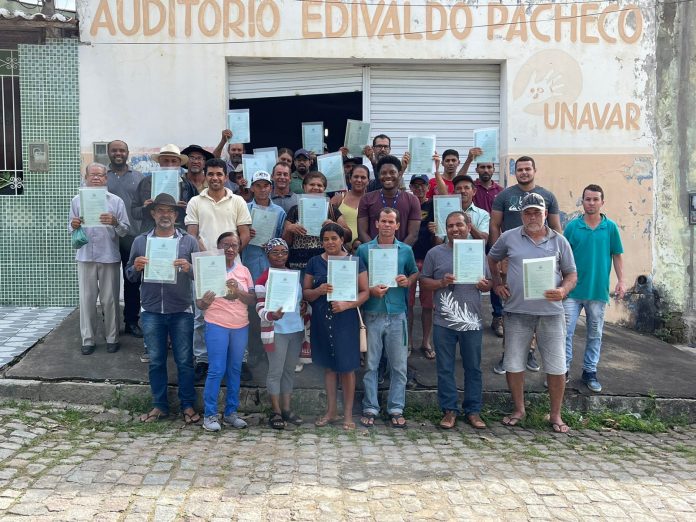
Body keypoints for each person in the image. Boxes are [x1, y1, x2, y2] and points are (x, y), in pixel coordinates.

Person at [487, 193, 577, 433]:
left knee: (557, 366)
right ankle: (519, 409)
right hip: (516, 311)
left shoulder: (559, 241)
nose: (533, 216)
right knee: (514, 362)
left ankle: (556, 415)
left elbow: (571, 274)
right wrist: (497, 283)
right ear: (521, 215)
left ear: (546, 214)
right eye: (528, 212)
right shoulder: (509, 238)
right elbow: (492, 258)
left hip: (551, 313)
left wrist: (563, 290)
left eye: (537, 212)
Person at [125, 193, 200, 424]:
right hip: (151, 310)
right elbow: (129, 276)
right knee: (156, 360)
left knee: (185, 361)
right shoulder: (140, 242)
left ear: (176, 215)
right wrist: (136, 268)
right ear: (153, 214)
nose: (165, 215)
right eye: (160, 211)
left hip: (181, 310)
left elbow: (201, 275)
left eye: (169, 211)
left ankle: (187, 405)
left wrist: (188, 268)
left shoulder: (188, 241)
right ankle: (159, 405)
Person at [420, 211, 491, 429]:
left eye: (459, 225)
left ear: (468, 226)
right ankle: (449, 411)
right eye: (450, 226)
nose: (455, 229)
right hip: (444, 321)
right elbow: (423, 282)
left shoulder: (478, 251)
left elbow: (488, 284)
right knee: (445, 368)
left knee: (473, 368)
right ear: (445, 229)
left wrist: (483, 285)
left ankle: (473, 411)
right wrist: (441, 282)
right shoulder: (435, 253)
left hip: (472, 321)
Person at [490, 156, 562, 372]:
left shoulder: (548, 196)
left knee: (535, 307)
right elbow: (495, 225)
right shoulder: (504, 195)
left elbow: (556, 228)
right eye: (520, 169)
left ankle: (529, 353)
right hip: (512, 259)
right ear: (515, 172)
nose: (523, 172)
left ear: (534, 170)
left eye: (527, 169)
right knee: (510, 308)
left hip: (540, 264)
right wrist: (500, 253)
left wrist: (556, 260)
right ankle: (507, 354)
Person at [185, 158, 252, 381]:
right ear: (205, 175)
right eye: (211, 174)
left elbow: (243, 233)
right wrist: (209, 256)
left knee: (238, 309)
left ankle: (240, 360)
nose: (215, 178)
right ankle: (203, 360)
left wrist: (231, 251)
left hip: (234, 263)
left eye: (219, 174)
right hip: (205, 263)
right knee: (202, 312)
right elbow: (192, 234)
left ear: (225, 176)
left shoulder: (238, 201)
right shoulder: (195, 201)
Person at [357, 208, 419, 429]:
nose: (386, 225)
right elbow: (358, 280)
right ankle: (370, 407)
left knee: (399, 366)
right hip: (373, 312)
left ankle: (396, 407)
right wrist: (369, 290)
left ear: (397, 225)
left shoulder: (406, 251)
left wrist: (408, 281)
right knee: (371, 364)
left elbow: (414, 273)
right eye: (383, 221)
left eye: (390, 221)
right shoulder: (364, 250)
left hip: (397, 314)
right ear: (376, 224)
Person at [303, 223, 369, 430]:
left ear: (342, 240)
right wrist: (319, 290)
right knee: (329, 368)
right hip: (322, 319)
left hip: (346, 318)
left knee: (347, 368)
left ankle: (348, 414)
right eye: (326, 239)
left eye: (334, 238)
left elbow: (365, 291)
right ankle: (331, 411)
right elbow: (306, 292)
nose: (330, 242)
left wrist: (348, 304)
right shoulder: (314, 262)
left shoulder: (354, 261)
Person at [564, 184, 625, 392]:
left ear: (602, 202)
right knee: (565, 332)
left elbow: (617, 255)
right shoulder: (572, 227)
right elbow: (563, 257)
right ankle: (562, 371)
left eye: (595, 199)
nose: (591, 203)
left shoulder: (611, 228)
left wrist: (621, 281)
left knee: (595, 334)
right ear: (582, 202)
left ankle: (590, 372)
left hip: (597, 291)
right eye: (587, 199)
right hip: (572, 291)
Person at [197, 232, 256, 432]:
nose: (230, 249)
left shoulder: (244, 271)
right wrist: (204, 302)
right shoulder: (208, 269)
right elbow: (200, 303)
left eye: (234, 245)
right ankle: (210, 414)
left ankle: (231, 413)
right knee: (216, 369)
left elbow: (251, 299)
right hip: (216, 323)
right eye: (226, 245)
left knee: (235, 370)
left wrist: (238, 290)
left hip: (240, 325)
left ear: (239, 248)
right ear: (218, 246)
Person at [69, 163, 130, 355]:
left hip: (109, 255)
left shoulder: (116, 201)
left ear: (106, 178)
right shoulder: (77, 201)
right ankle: (88, 340)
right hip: (85, 255)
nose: (96, 178)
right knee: (86, 300)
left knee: (110, 299)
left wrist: (115, 222)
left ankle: (112, 337)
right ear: (86, 177)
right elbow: (70, 229)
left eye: (100, 175)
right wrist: (74, 224)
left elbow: (125, 230)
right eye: (92, 175)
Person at [255, 238, 307, 429]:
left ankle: (287, 409)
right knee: (275, 371)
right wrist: (272, 315)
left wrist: (303, 306)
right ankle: (275, 411)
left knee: (288, 371)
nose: (279, 256)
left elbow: (299, 300)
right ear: (267, 255)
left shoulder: (293, 275)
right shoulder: (263, 278)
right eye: (275, 252)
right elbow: (259, 306)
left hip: (295, 329)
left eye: (283, 252)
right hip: (276, 330)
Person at [106, 139, 144, 338]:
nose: (118, 153)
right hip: (108, 238)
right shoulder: (101, 177)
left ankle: (131, 321)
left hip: (132, 236)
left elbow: (142, 207)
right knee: (109, 282)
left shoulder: (137, 177)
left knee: (132, 282)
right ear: (108, 153)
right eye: (114, 150)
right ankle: (110, 323)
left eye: (122, 150)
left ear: (128, 153)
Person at [283, 172, 351, 273]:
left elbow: (348, 235)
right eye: (312, 184)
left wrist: (335, 226)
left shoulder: (332, 210)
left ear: (324, 189)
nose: (316, 187)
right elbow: (286, 241)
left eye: (319, 185)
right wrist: (290, 228)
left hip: (326, 264)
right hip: (300, 265)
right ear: (304, 187)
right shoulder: (295, 210)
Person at [471, 159, 505, 337]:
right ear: (476, 169)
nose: (485, 170)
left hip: (495, 243)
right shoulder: (471, 189)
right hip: (474, 243)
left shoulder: (501, 192)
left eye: (489, 167)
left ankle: (498, 316)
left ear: (493, 169)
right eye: (482, 167)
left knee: (495, 279)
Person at [132, 144, 197, 236]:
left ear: (179, 164)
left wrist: (187, 210)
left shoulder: (188, 186)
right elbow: (134, 212)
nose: (169, 164)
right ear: (159, 162)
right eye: (166, 161)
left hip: (179, 234)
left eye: (173, 161)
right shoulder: (145, 183)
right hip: (150, 232)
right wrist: (144, 208)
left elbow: (197, 215)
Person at [357, 155, 421, 246]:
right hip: (372, 255)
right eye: (383, 173)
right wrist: (376, 251)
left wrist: (398, 252)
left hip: (401, 256)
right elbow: (362, 232)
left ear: (399, 174)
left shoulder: (412, 200)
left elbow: (413, 235)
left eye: (392, 172)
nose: (388, 176)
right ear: (378, 175)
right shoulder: (366, 199)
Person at [407, 174, 436, 359]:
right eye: (415, 185)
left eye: (422, 185)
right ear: (410, 187)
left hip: (429, 259)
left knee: (428, 305)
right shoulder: (407, 204)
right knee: (407, 303)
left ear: (428, 187)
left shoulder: (434, 205)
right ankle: (408, 341)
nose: (419, 189)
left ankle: (426, 341)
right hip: (408, 260)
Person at [241, 170, 287, 282]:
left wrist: (274, 243)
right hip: (249, 260)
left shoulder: (280, 212)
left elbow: (283, 238)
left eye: (266, 186)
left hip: (272, 262)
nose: (262, 189)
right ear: (252, 188)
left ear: (271, 188)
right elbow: (236, 235)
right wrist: (245, 234)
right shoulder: (244, 209)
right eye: (258, 186)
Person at [332, 164, 369, 252]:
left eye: (363, 177)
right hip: (340, 249)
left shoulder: (372, 201)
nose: (359, 180)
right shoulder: (339, 199)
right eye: (356, 177)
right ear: (350, 179)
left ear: (368, 181)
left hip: (365, 249)